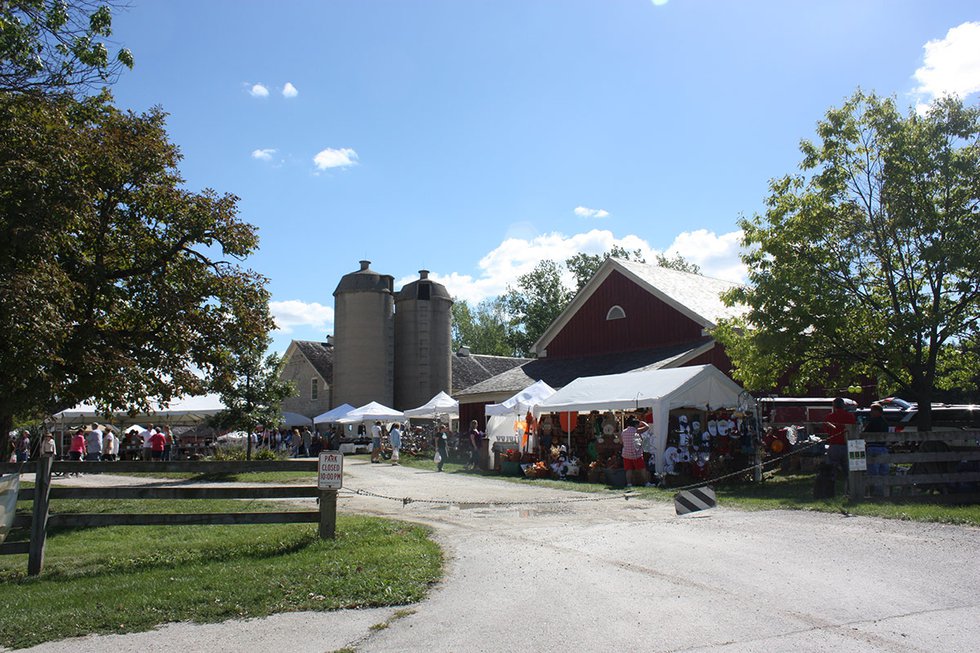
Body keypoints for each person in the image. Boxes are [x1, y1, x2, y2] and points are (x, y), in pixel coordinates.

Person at [863, 402, 891, 496]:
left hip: (874, 448)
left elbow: (864, 434)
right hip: (883, 448)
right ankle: (885, 492)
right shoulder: (885, 422)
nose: (871, 413)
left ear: (877, 412)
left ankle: (876, 493)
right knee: (884, 471)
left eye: (872, 411)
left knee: (873, 471)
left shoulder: (873, 422)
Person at [825, 397, 856, 477]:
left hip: (834, 445)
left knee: (831, 470)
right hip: (847, 445)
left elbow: (827, 430)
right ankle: (850, 487)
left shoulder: (830, 417)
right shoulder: (850, 416)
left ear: (834, 406)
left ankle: (830, 486)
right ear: (843, 405)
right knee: (848, 472)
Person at [620, 417, 650, 487]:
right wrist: (643, 422)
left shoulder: (623, 431)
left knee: (628, 470)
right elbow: (647, 427)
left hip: (626, 454)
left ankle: (629, 484)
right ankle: (647, 483)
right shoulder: (636, 431)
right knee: (642, 469)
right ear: (636, 425)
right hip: (636, 454)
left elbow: (621, 442)